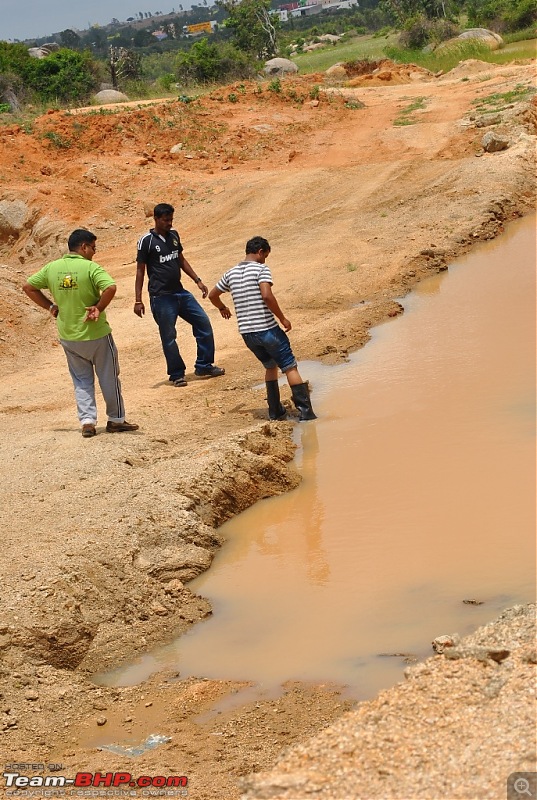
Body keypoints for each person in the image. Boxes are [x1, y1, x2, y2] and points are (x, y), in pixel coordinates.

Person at [22, 229, 139, 438]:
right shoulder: (90, 267)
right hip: (97, 334)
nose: (94, 252)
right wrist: (98, 308)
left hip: (69, 336)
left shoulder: (52, 268)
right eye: (93, 248)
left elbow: (28, 286)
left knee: (81, 380)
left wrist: (50, 307)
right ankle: (116, 419)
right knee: (109, 377)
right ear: (83, 247)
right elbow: (110, 287)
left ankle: (87, 422)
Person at [209, 236, 316, 421]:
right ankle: (306, 413)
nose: (265, 260)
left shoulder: (230, 273)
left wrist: (222, 308)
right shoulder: (261, 269)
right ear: (260, 252)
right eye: (265, 256)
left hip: (247, 333)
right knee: (290, 367)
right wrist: (282, 318)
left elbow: (212, 294)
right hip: (267, 329)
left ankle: (275, 411)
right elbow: (267, 296)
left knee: (270, 366)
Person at [134, 203, 225, 387]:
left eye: (171, 220)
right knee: (169, 337)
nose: (169, 223)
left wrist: (197, 280)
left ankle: (204, 365)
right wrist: (138, 300)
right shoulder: (146, 241)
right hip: (161, 297)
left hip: (180, 293)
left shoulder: (174, 236)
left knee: (203, 323)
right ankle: (176, 374)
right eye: (166, 220)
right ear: (156, 219)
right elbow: (140, 271)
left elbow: (181, 260)